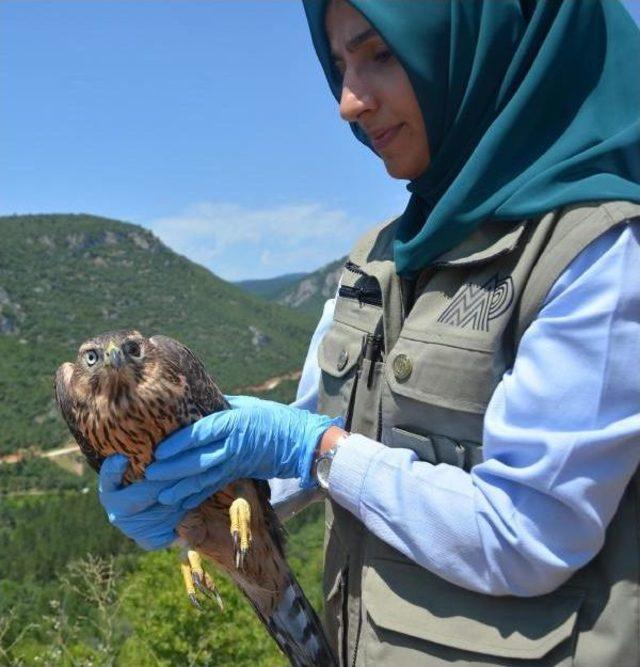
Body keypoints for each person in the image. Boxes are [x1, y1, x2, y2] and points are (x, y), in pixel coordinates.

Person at [98, 1, 640, 664]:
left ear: (483, 42)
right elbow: (308, 447)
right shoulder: (374, 259)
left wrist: (318, 448)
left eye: (380, 53)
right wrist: (195, 494)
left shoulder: (600, 255)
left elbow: (530, 534)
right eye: (339, 66)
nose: (348, 103)